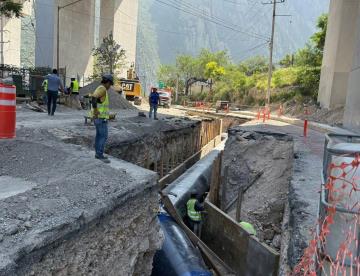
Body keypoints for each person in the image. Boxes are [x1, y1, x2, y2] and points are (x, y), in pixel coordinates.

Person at [91, 74, 113, 164]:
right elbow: (93, 98)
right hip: (101, 118)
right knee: (103, 136)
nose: (110, 86)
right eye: (110, 84)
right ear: (107, 82)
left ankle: (98, 153)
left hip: (99, 118)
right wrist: (96, 110)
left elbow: (97, 100)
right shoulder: (102, 89)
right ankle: (99, 155)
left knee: (99, 136)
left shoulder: (100, 88)